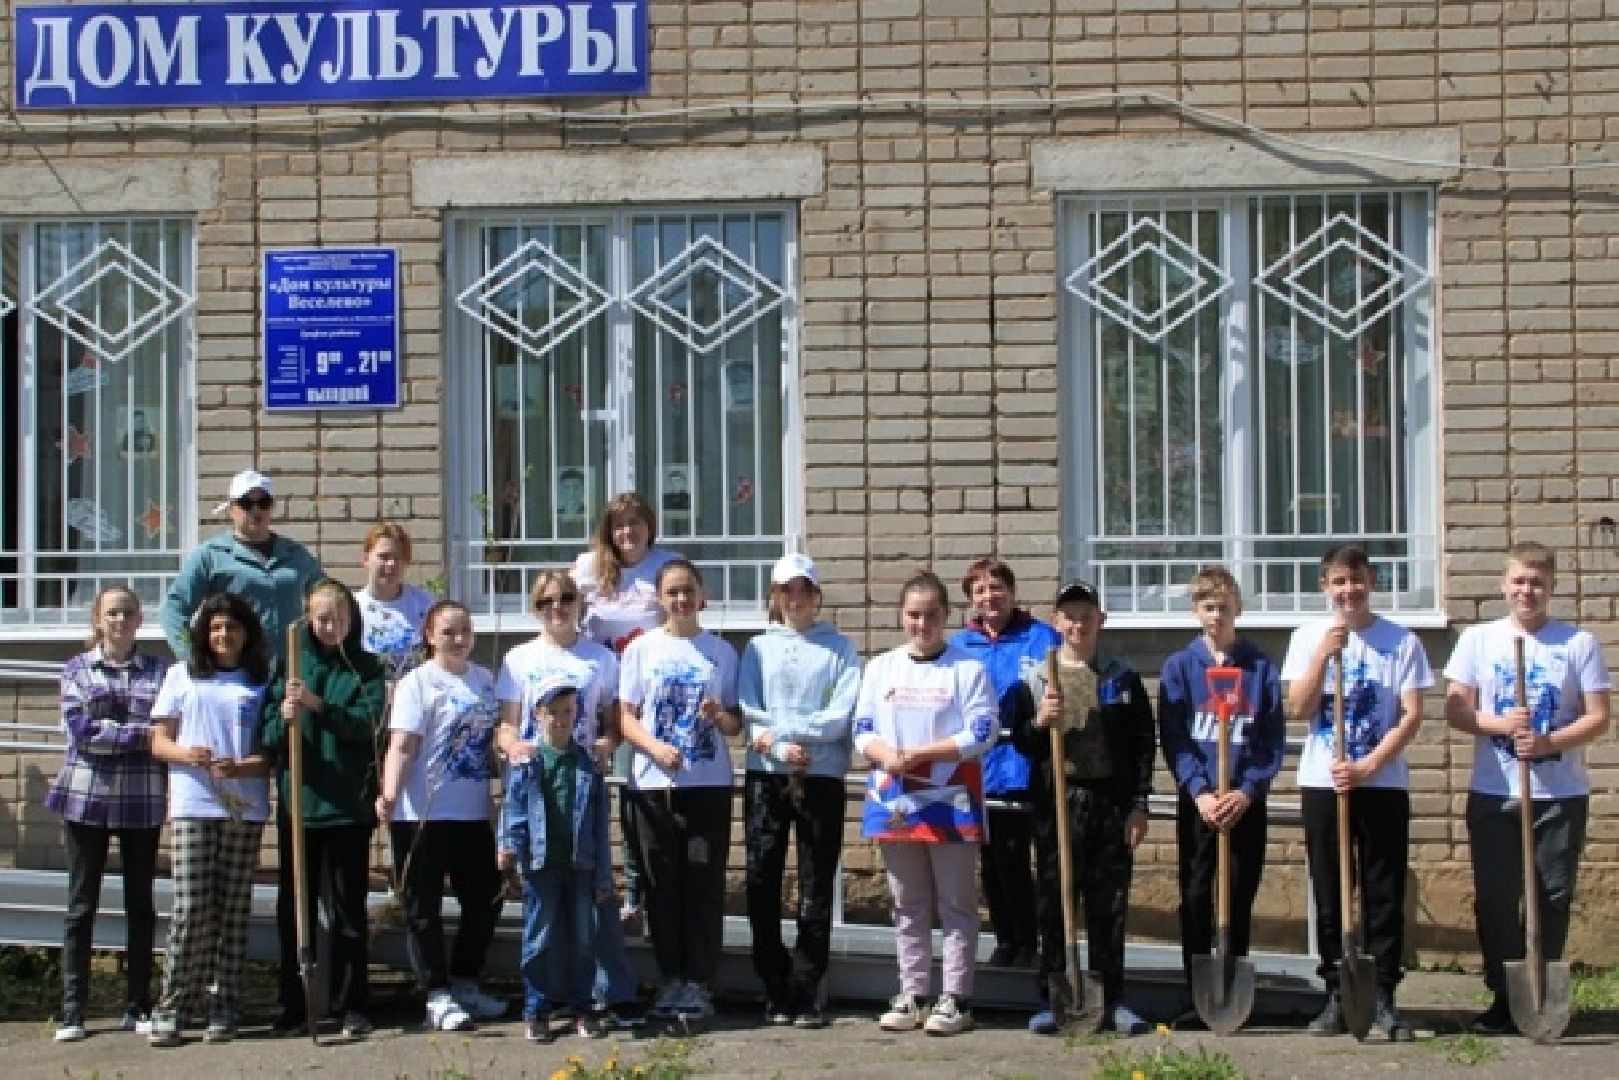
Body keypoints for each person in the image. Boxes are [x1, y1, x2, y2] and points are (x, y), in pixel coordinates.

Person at [1443, 541, 1612, 1036]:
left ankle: (1540, 989)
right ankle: (1504, 994)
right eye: (1518, 581)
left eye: (1536, 582)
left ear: (1551, 587)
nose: (1527, 590)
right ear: (1504, 585)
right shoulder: (1478, 640)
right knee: (1496, 898)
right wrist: (1499, 724)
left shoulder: (1577, 643)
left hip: (1559, 794)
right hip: (1494, 790)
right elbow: (1456, 710)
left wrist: (1547, 741)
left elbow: (1599, 717)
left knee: (1551, 895)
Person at [1281, 546, 1432, 1041]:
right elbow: (1299, 709)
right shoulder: (1307, 638)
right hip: (1324, 781)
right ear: (1325, 586)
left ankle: (1383, 994)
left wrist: (1368, 765)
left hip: (1380, 782)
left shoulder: (1400, 641)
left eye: (1358, 580)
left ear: (1372, 582)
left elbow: (1411, 715)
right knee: (1329, 889)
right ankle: (1335, 993)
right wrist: (1325, 655)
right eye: (1339, 582)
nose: (1349, 590)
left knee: (1383, 889)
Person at [495, 571, 642, 1029]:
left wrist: (608, 744)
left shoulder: (600, 658)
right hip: (536, 787)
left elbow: (614, 721)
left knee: (590, 912)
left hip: (582, 787)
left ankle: (597, 999)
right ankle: (541, 1003)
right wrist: (512, 746)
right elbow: (505, 725)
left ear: (580, 603)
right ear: (535, 608)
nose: (556, 607)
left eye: (564, 599)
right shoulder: (519, 659)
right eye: (545, 601)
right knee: (541, 917)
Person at [853, 570, 997, 1038]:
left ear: (946, 616)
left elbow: (982, 731)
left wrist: (924, 753)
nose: (922, 624)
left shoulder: (967, 669)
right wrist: (887, 756)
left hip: (949, 800)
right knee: (907, 902)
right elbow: (863, 728)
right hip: (895, 799)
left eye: (931, 615)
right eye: (913, 615)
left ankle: (956, 996)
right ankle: (912, 992)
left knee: (955, 902)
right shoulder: (881, 668)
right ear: (902, 616)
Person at [1019, 581, 1155, 1037]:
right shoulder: (1037, 678)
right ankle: (1053, 996)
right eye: (1069, 616)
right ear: (1056, 621)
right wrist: (1040, 722)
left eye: (1087, 616)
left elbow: (1142, 746)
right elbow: (1019, 740)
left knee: (1108, 905)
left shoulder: (1121, 678)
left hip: (1109, 804)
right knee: (1056, 901)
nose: (1078, 624)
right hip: (1060, 800)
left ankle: (1111, 998)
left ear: (1101, 621)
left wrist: (1138, 805)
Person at [260, 579, 388, 1038]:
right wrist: (284, 719)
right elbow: (270, 738)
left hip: (347, 808)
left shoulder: (366, 669)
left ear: (352, 619)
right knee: (294, 908)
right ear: (309, 621)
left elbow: (368, 726)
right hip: (301, 806)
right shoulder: (291, 665)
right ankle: (294, 1004)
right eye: (323, 619)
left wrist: (317, 706)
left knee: (348, 909)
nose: (332, 626)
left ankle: (352, 1004)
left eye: (340, 618)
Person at [145, 593, 273, 1047]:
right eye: (216, 628)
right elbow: (158, 740)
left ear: (246, 633)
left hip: (244, 804)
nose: (224, 636)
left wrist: (243, 767)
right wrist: (186, 754)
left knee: (233, 909)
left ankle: (225, 1006)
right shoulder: (182, 674)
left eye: (233, 628)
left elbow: (274, 753)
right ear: (203, 632)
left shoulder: (261, 679)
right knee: (192, 906)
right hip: (194, 802)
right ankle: (176, 1005)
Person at [740, 553, 861, 1028]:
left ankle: (807, 986)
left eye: (803, 590)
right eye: (786, 590)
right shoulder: (757, 648)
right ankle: (774, 983)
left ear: (816, 595)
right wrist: (772, 742)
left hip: (820, 774)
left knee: (815, 884)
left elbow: (840, 713)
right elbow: (750, 707)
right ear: (774, 597)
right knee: (762, 879)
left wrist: (791, 736)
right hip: (767, 775)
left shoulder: (840, 649)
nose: (795, 599)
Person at [1157, 566, 1285, 1012]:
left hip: (1244, 803)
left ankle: (1232, 982)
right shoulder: (1179, 667)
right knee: (1195, 891)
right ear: (1196, 611)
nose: (1217, 617)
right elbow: (1175, 737)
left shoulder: (1259, 667)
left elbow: (1271, 739)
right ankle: (1196, 988)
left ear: (1239, 610)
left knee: (1240, 890)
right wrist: (1200, 791)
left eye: (1225, 608)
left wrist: (1247, 790)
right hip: (1202, 802)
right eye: (1209, 608)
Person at [617, 558, 741, 1023]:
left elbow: (734, 722)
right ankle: (670, 980)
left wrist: (719, 716)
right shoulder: (641, 650)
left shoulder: (720, 653)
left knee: (703, 883)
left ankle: (699, 982)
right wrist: (654, 748)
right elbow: (625, 716)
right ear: (660, 597)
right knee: (661, 885)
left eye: (688, 590)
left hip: (706, 784)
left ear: (701, 594)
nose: (681, 600)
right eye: (672, 592)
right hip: (653, 785)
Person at [377, 600, 508, 1032]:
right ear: (430, 636)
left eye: (465, 631)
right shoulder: (417, 683)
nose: (458, 639)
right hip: (423, 813)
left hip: (472, 814)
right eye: (448, 632)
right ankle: (436, 992)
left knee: (485, 899)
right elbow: (402, 744)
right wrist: (390, 794)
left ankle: (467, 981)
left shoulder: (485, 680)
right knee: (423, 907)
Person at [48, 586, 170, 1042]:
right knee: (81, 906)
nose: (120, 620)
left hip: (141, 801)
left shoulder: (159, 671)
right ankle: (73, 1010)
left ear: (139, 620)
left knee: (141, 906)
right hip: (87, 799)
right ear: (98, 621)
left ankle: (137, 1005)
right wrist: (140, 736)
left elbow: (165, 726)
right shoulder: (76, 670)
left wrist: (124, 732)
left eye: (128, 613)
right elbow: (82, 732)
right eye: (112, 613)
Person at [572, 491, 679, 932]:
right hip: (598, 697)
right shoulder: (587, 569)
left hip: (643, 703)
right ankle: (596, 890)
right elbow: (561, 612)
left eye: (636, 522)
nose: (627, 532)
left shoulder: (665, 566)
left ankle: (640, 891)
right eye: (619, 524)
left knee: (637, 797)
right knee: (598, 794)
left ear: (650, 526)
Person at [949, 557, 1059, 969]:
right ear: (970, 600)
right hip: (978, 770)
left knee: (1023, 859)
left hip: (1027, 766)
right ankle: (1007, 939)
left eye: (997, 588)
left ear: (1013, 593)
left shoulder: (1041, 638)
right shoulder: (960, 647)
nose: (989, 597)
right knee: (992, 861)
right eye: (980, 590)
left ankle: (1033, 942)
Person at [499, 676, 616, 1041]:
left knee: (584, 938)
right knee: (539, 938)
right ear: (539, 714)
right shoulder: (528, 762)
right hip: (540, 863)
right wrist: (508, 847)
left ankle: (583, 1008)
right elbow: (514, 809)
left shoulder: (587, 764)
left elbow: (598, 825)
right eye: (554, 713)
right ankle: (536, 1010)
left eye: (569, 712)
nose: (562, 720)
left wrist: (603, 876)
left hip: (580, 863)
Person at [160, 469, 324, 664]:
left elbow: (327, 597)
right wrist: (191, 655)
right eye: (247, 504)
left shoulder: (296, 555)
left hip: (290, 673)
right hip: (236, 673)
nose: (256, 511)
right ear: (231, 509)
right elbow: (174, 608)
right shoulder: (210, 556)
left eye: (264, 503)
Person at [357, 522, 436, 684]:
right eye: (384, 557)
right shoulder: (353, 608)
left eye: (398, 558)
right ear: (366, 559)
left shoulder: (424, 604)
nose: (391, 564)